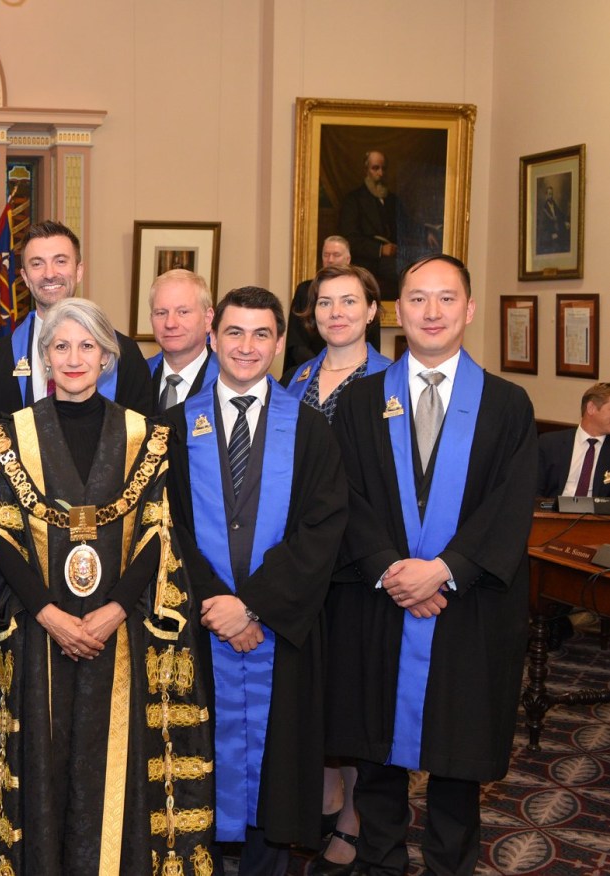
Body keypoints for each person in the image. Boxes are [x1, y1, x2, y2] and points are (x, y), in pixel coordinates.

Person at [0, 298, 215, 875]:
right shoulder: (7, 436)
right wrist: (48, 612)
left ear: (108, 357)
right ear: (45, 358)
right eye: (60, 346)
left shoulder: (148, 438)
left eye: (87, 347)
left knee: (115, 767)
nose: (73, 358)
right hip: (35, 632)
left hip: (120, 636)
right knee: (41, 761)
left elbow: (158, 532)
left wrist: (112, 612)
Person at [329, 255, 537, 876]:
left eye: (446, 299)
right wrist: (395, 569)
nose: (432, 312)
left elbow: (510, 503)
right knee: (377, 756)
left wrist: (444, 570)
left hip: (466, 605)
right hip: (381, 599)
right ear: (399, 311)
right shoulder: (361, 402)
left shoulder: (507, 405)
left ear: (469, 309)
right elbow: (345, 497)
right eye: (418, 299)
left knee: (457, 757)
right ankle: (381, 862)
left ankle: (451, 866)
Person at [167, 285, 348, 876]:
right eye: (236, 332)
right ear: (213, 336)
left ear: (278, 344)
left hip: (280, 633)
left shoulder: (313, 429)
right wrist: (217, 603)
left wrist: (256, 608)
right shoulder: (170, 430)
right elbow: (163, 530)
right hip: (198, 631)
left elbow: (322, 530)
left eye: (262, 334)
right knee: (192, 775)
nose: (247, 347)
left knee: (277, 787)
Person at [282, 264, 390, 876]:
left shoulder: (390, 381)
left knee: (354, 684)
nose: (337, 313)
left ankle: (353, 815)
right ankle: (321, 792)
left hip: (360, 556)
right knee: (313, 679)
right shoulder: (297, 376)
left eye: (350, 301)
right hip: (305, 551)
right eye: (326, 302)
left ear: (373, 310)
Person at [0, 220, 153, 425]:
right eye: (37, 263)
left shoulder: (124, 354)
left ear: (78, 271)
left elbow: (143, 442)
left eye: (60, 261)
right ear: (25, 276)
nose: (49, 274)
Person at [337, 151, 438, 302]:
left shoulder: (391, 199)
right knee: (408, 273)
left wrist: (426, 233)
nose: (380, 173)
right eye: (375, 168)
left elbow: (408, 223)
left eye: (383, 168)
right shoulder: (353, 200)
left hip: (392, 256)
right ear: (366, 170)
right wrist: (380, 250)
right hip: (368, 260)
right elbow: (349, 239)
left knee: (423, 266)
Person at [286, 236, 371, 371]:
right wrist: (318, 367)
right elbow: (296, 342)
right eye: (324, 303)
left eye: (349, 302)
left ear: (348, 259)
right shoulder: (306, 290)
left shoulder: (363, 290)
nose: (330, 259)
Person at [145, 268, 219, 415]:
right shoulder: (138, 375)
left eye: (183, 312)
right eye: (161, 313)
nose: (170, 323)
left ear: (208, 319)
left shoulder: (229, 380)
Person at [538, 382, 610, 498]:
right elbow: (533, 491)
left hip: (596, 515)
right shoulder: (549, 444)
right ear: (591, 408)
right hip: (553, 513)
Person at [536, 184, 571, 254]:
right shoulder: (544, 209)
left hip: (557, 229)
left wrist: (566, 221)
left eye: (551, 194)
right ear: (546, 195)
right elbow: (544, 226)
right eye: (549, 194)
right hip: (549, 233)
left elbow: (560, 213)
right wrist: (551, 234)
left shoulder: (554, 204)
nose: (551, 196)